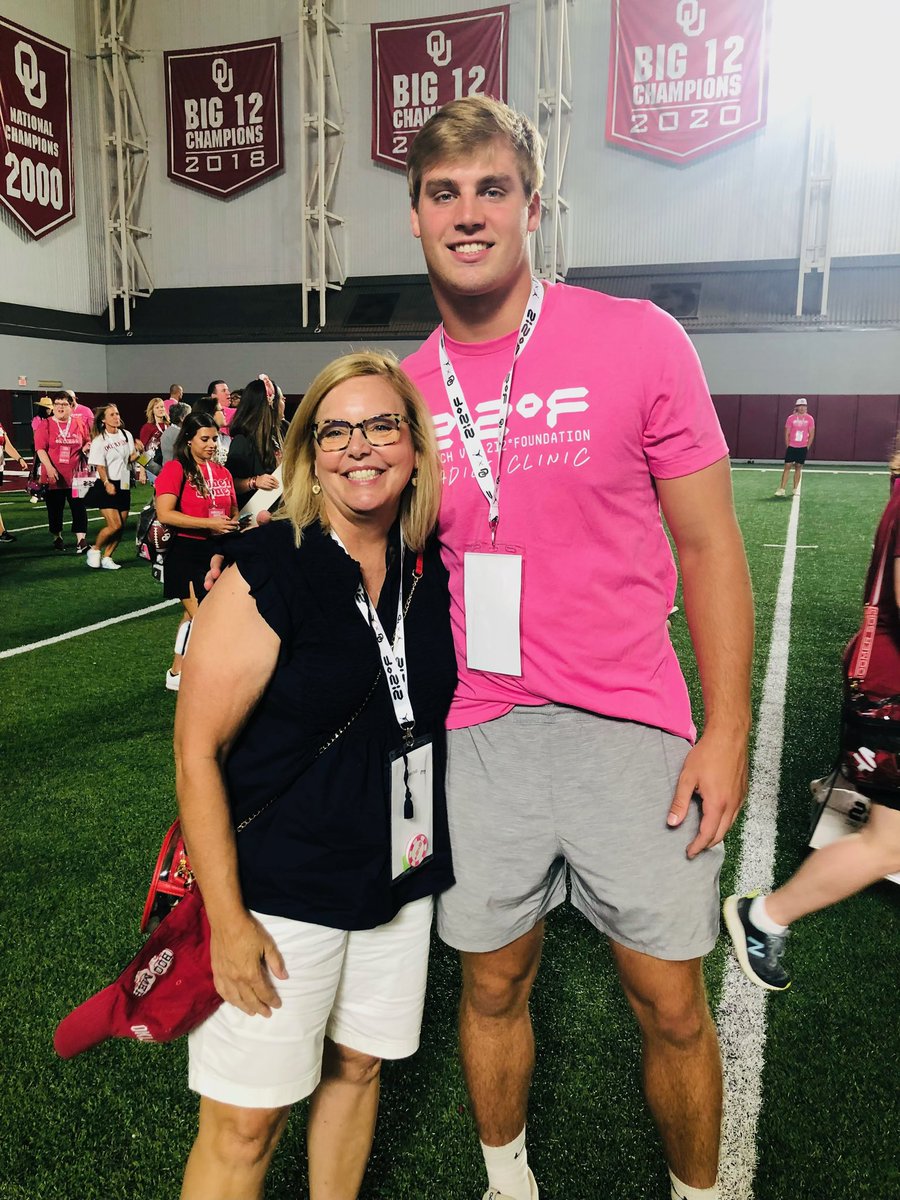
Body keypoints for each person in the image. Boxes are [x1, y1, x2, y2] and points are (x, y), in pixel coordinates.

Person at [400, 97, 753, 1200]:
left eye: (491, 189)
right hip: (481, 740)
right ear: (414, 217)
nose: (469, 215)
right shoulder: (400, 394)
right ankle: (510, 1183)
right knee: (493, 986)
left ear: (532, 207)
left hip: (631, 726)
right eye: (444, 194)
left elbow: (709, 546)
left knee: (673, 1003)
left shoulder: (638, 338)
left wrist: (728, 728)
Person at [176, 351, 456, 1200]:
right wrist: (226, 920)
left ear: (413, 447)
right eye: (335, 430)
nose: (359, 447)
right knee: (246, 1122)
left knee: (358, 1070)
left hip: (397, 880)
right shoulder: (271, 565)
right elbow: (195, 751)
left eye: (380, 426)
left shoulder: (429, 567)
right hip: (279, 892)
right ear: (308, 452)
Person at [725, 486, 900, 991]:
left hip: (883, 681)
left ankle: (833, 788)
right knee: (890, 844)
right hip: (890, 692)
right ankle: (765, 916)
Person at [155, 412, 239, 690]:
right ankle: (206, 676)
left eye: (215, 438)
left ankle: (177, 672)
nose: (212, 444)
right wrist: (209, 523)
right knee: (206, 617)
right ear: (188, 439)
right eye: (205, 438)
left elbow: (233, 508)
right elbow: (165, 513)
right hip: (186, 551)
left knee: (193, 616)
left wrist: (231, 523)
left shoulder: (222, 472)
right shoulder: (176, 469)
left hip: (218, 551)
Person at [85, 403, 144, 571]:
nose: (116, 417)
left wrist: (138, 453)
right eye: (112, 415)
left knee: (121, 527)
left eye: (117, 414)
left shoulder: (126, 435)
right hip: (106, 484)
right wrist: (106, 483)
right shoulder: (99, 441)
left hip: (123, 482)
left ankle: (107, 557)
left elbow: (129, 458)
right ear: (103, 420)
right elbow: (100, 467)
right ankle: (94, 549)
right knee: (114, 525)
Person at [33, 392, 92, 552]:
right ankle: (57, 536)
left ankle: (81, 540)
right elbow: (40, 449)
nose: (59, 407)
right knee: (55, 509)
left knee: (79, 508)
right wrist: (50, 468)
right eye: (57, 403)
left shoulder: (79, 423)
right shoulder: (45, 424)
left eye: (64, 404)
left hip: (77, 474)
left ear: (72, 407)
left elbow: (87, 441)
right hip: (54, 475)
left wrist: (87, 447)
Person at [225, 377, 281, 510]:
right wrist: (254, 482)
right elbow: (230, 483)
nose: (283, 404)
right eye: (281, 399)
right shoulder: (242, 440)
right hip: (253, 514)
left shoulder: (276, 434)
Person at [775, 398, 815, 497]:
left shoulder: (810, 419)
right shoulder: (791, 418)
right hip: (792, 446)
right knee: (787, 466)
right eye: (800, 406)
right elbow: (787, 433)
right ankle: (782, 489)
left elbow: (811, 434)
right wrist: (788, 445)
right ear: (796, 407)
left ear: (806, 407)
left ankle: (795, 489)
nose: (802, 408)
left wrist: (807, 447)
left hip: (803, 447)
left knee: (798, 467)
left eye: (804, 406)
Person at [138, 397, 170, 481]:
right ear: (152, 410)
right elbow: (142, 450)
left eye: (162, 407)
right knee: (159, 489)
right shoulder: (147, 427)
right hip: (152, 462)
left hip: (167, 462)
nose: (161, 409)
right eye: (157, 407)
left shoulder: (169, 425)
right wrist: (142, 472)